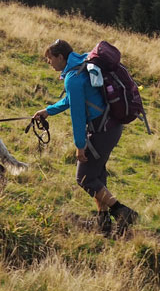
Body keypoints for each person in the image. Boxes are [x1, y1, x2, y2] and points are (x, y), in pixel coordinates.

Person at [33, 39, 138, 235]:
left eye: (50, 59)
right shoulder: (82, 64)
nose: (48, 63)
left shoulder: (73, 78)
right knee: (96, 175)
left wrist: (80, 145)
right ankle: (103, 222)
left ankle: (122, 212)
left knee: (84, 178)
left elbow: (78, 115)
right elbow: (72, 99)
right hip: (112, 127)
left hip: (101, 131)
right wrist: (48, 111)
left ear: (60, 57)